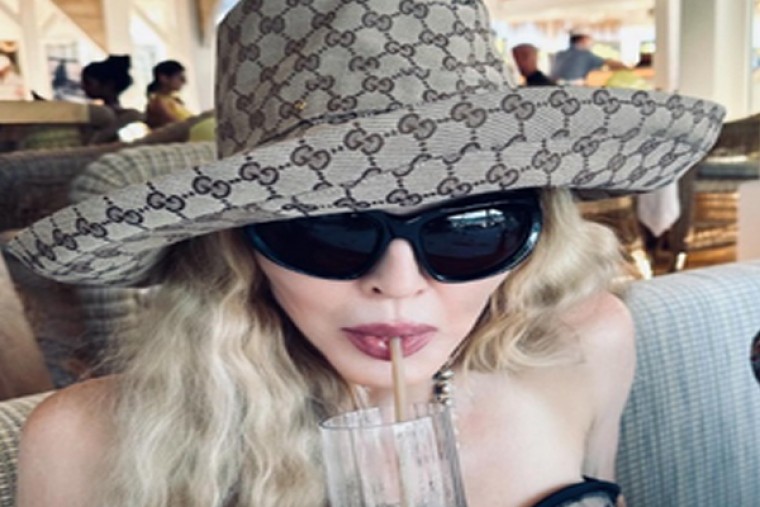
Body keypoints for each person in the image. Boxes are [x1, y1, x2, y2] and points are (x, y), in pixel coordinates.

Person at [9, 1, 724, 506]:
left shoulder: (586, 343)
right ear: (237, 243)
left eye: (471, 228)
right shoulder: (86, 444)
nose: (399, 283)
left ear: (538, 232)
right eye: (330, 230)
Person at [80, 55, 144, 143]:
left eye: (88, 83)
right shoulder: (131, 115)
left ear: (109, 85)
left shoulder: (129, 116)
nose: (83, 87)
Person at [551, 32, 628, 85]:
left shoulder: (559, 54)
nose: (592, 43)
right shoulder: (584, 54)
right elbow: (608, 62)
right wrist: (627, 68)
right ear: (583, 40)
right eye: (590, 40)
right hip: (575, 88)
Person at [144, 59, 194, 129]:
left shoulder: (174, 100)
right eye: (180, 78)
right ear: (163, 78)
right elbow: (179, 127)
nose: (184, 81)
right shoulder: (158, 103)